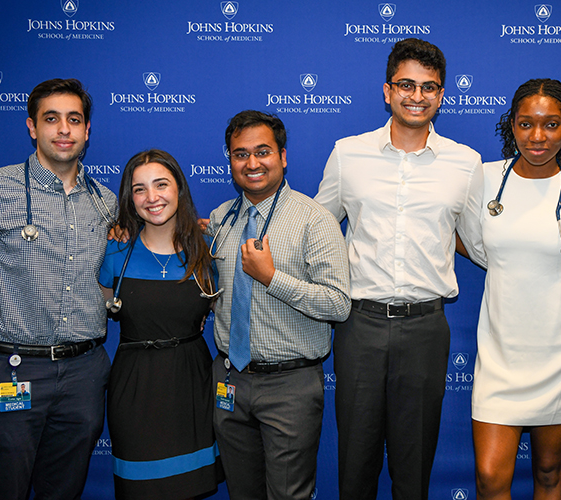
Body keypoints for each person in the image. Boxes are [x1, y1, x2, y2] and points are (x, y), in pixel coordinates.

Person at [315, 38, 483, 500]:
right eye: (406, 85)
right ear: (387, 91)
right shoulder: (349, 153)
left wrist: (553, 264)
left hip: (427, 328)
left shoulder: (465, 163)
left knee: (414, 463)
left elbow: (480, 243)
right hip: (359, 325)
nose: (417, 96)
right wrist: (228, 226)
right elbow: (315, 225)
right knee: (356, 461)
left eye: (429, 87)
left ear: (442, 95)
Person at [0, 78, 116, 499]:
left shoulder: (106, 202)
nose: (63, 129)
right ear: (31, 126)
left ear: (87, 130)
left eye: (74, 120)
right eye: (51, 119)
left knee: (63, 491)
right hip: (8, 370)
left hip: (83, 375)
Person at [463, 79, 561, 500]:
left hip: (560, 348)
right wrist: (504, 263)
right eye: (526, 124)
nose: (538, 137)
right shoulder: (485, 178)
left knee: (548, 471)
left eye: (551, 124)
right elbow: (459, 236)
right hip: (501, 349)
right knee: (490, 478)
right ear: (512, 125)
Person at [208, 110, 350, 500]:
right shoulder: (222, 219)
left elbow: (339, 304)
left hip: (290, 385)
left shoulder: (315, 220)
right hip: (230, 380)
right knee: (242, 492)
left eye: (263, 152)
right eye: (240, 154)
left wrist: (271, 278)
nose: (252, 163)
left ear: (283, 157)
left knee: (289, 494)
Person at [99, 149, 223, 499]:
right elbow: (101, 304)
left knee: (190, 487)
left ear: (179, 189)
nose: (151, 198)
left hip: (192, 386)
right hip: (134, 389)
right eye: (139, 189)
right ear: (130, 198)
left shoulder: (207, 250)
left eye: (161, 185)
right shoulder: (114, 252)